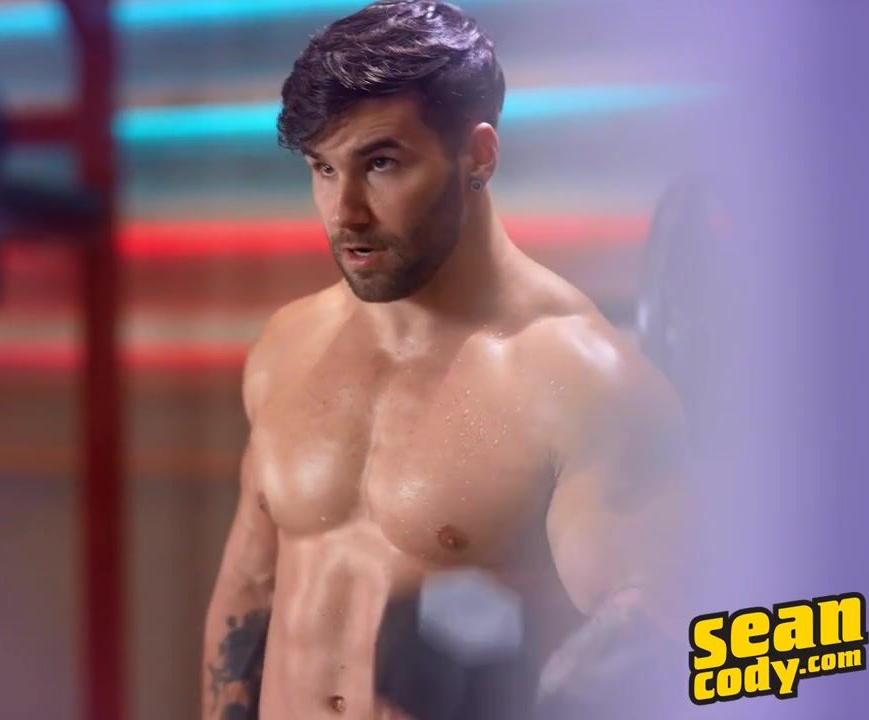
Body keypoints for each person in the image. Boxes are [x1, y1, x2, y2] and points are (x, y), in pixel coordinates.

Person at [202, 2, 685, 717]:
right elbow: (248, 591)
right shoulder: (288, 344)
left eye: (381, 164)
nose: (345, 212)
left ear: (478, 156)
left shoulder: (581, 384)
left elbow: (650, 648)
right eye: (323, 168)